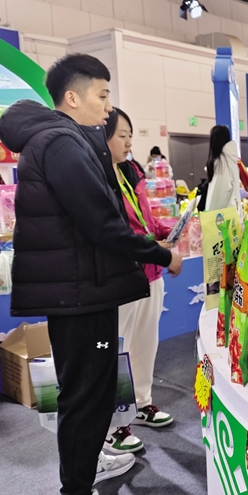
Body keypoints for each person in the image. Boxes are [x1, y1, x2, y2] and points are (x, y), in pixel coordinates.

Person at [0, 53, 183, 495]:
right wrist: (162, 255)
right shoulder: (61, 143)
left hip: (83, 288)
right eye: (101, 95)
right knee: (84, 394)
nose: (107, 106)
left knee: (91, 389)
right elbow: (101, 222)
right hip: (79, 292)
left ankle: (89, 462)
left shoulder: (61, 140)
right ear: (73, 97)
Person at [102, 107, 174, 457]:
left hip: (151, 273)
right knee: (120, 350)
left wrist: (166, 230)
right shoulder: (97, 176)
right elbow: (116, 232)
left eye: (130, 135)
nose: (129, 142)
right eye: (122, 135)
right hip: (123, 278)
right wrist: (154, 246)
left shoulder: (131, 172)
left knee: (146, 343)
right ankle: (115, 424)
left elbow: (143, 219)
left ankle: (143, 403)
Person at [203, 125, 241, 211]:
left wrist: (209, 214)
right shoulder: (230, 159)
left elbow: (218, 195)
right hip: (232, 212)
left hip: (222, 216)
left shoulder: (222, 162)